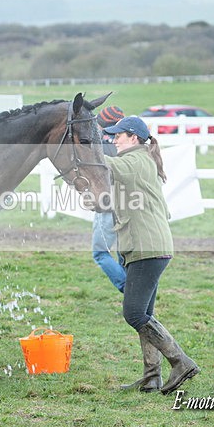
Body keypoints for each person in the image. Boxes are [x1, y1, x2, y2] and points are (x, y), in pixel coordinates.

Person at [102, 115, 199, 395]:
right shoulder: (141, 159)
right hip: (148, 247)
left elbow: (106, 164)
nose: (113, 139)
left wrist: (85, 146)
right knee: (145, 313)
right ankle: (151, 377)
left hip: (147, 248)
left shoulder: (135, 161)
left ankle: (180, 361)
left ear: (133, 138)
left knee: (133, 314)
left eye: (117, 135)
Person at [92, 105, 126, 293]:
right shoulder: (124, 141)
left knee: (100, 252)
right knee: (123, 251)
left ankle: (127, 288)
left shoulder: (100, 142)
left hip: (106, 202)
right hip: (126, 201)